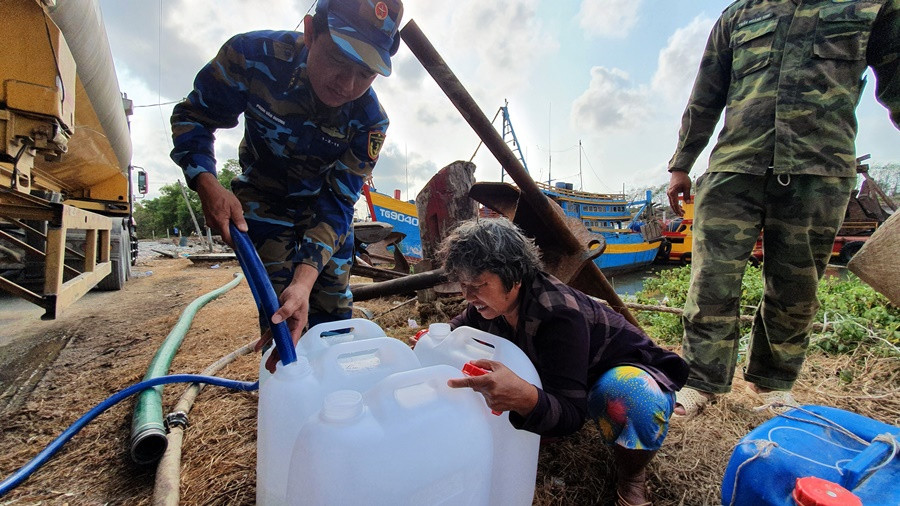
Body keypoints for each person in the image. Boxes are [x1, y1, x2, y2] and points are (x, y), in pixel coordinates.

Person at [665, 0, 899, 417]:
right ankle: (700, 381)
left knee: (795, 286)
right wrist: (681, 164)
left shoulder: (871, 7)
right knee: (711, 281)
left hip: (819, 168)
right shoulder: (739, 15)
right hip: (736, 166)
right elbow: (706, 92)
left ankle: (773, 384)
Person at [169, 0, 404, 363]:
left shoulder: (370, 120)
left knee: (332, 312)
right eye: (340, 60)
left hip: (323, 212)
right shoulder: (251, 57)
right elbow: (193, 117)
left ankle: (335, 390)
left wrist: (305, 280)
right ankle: (289, 388)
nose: (349, 84)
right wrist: (207, 185)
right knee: (282, 313)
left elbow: (339, 202)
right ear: (311, 31)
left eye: (367, 73)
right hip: (263, 200)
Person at [439, 218, 689, 506]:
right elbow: (461, 323)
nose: (467, 296)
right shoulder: (493, 303)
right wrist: (436, 338)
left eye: (479, 285)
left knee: (632, 396)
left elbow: (571, 416)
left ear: (515, 275)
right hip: (570, 372)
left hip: (616, 370)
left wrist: (525, 398)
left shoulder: (557, 314)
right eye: (463, 285)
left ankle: (632, 478)